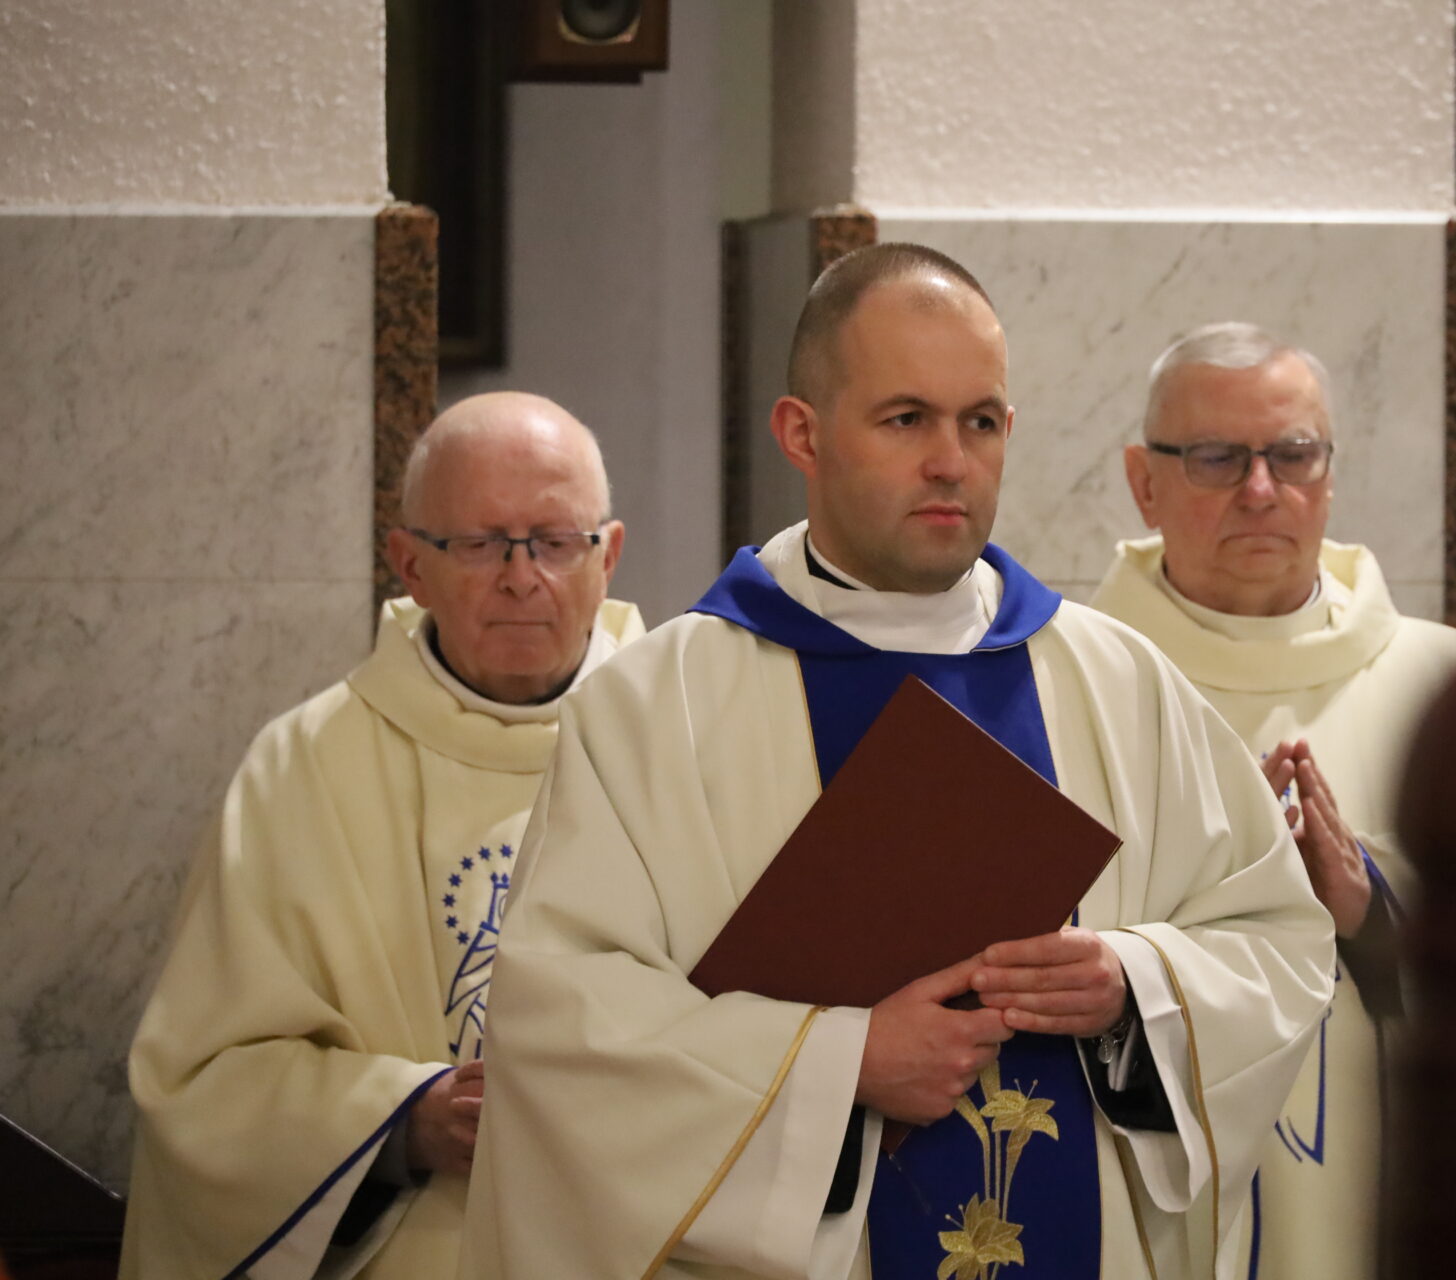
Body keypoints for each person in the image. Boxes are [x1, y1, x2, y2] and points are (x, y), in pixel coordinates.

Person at [460, 247, 1338, 1279]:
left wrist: (1134, 985)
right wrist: (842, 1064)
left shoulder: (1120, 683)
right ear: (802, 433)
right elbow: (565, 1029)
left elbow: (1275, 941)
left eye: (981, 422)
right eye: (907, 418)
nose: (951, 462)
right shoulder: (659, 706)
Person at [1088, 323, 1456, 1279]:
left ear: (1329, 472)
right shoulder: (1071, 685)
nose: (1261, 490)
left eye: (1293, 454)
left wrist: (1377, 897)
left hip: (1397, 1194)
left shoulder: (1454, 687)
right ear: (1143, 481)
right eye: (1217, 457)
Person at [120, 392, 644, 1279]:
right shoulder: (304, 767)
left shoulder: (684, 746)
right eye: (479, 543)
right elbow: (202, 1085)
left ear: (609, 556)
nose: (522, 577)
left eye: (556, 542)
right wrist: (404, 1120)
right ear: (410, 565)